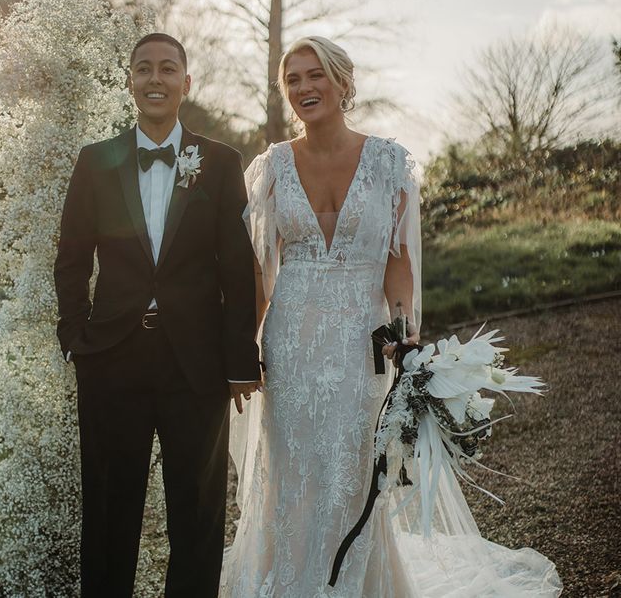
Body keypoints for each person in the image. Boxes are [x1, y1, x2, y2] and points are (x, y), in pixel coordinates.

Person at [221, 36, 562, 596]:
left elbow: (397, 263)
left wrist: (405, 330)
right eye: (294, 80)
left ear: (343, 84)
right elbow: (262, 273)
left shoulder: (388, 164)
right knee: (292, 477)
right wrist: (244, 346)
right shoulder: (272, 168)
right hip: (293, 344)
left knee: (355, 474)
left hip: (362, 342)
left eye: (316, 76)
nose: (305, 88)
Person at [54, 32, 262, 598]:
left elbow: (236, 270)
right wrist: (75, 337)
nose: (155, 79)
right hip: (111, 358)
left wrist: (241, 359)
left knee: (196, 511)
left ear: (186, 84)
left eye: (167, 69)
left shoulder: (220, 163)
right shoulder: (96, 161)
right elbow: (72, 258)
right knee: (108, 509)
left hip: (194, 365)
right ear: (129, 81)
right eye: (143, 68)